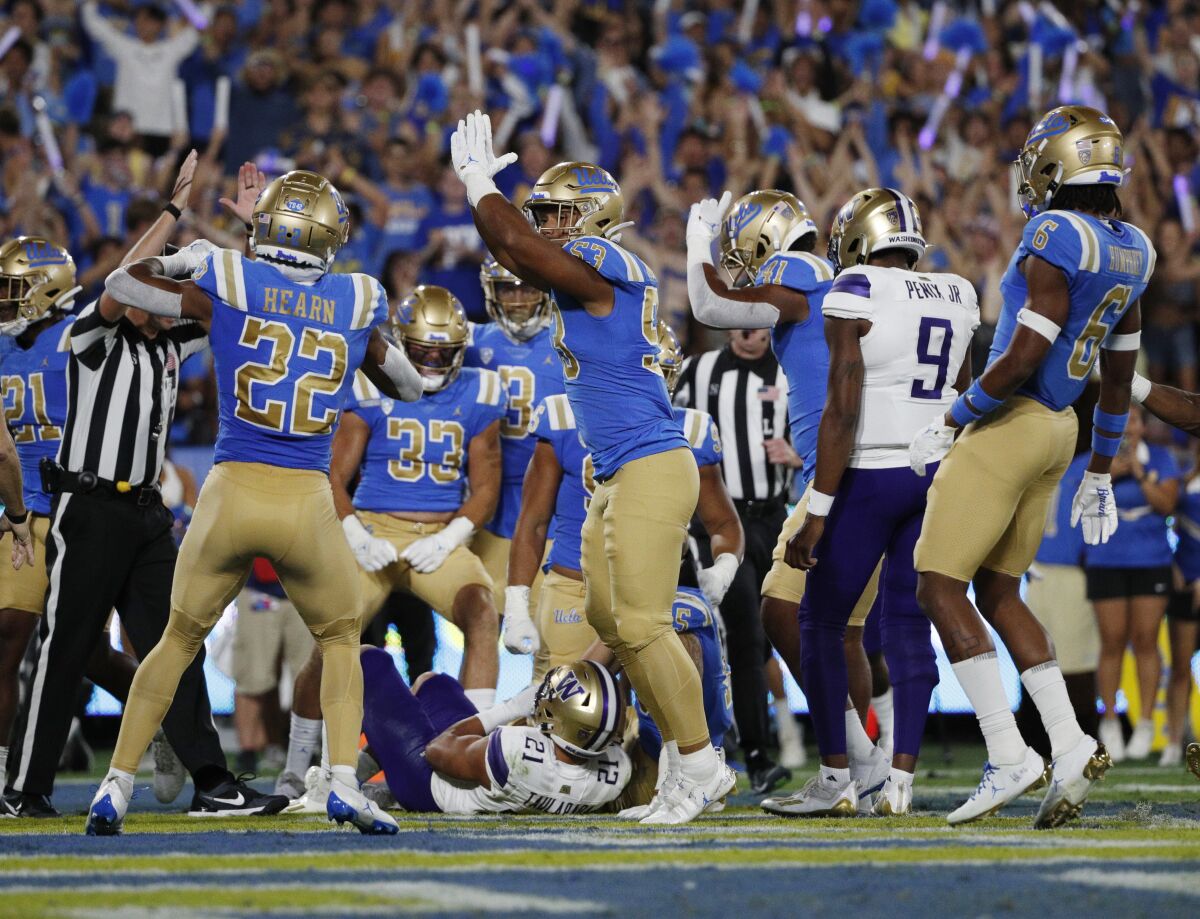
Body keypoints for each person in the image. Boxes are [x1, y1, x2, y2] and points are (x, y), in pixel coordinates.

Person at [85, 167, 423, 836]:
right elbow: (409, 386)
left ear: (263, 225)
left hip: (232, 486)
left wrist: (186, 255)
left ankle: (115, 785)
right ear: (332, 236)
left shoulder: (226, 275)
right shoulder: (358, 296)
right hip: (305, 495)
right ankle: (345, 784)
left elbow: (121, 285)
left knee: (178, 639)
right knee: (340, 637)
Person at [452, 110, 735, 824]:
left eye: (559, 212)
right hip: (615, 472)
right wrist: (490, 201)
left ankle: (701, 764)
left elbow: (516, 245)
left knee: (640, 622)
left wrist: (480, 183)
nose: (545, 223)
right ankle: (682, 764)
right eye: (541, 210)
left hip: (648, 463)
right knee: (613, 618)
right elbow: (516, 253)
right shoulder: (578, 277)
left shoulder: (609, 265)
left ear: (596, 220)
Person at [907, 105, 1155, 828]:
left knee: (937, 585)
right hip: (1061, 430)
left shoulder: (1054, 233)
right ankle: (1071, 740)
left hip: (1011, 420)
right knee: (999, 589)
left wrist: (953, 417)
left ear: (1057, 166)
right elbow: (1117, 377)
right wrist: (1101, 468)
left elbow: (1023, 351)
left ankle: (1008, 752)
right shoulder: (1134, 245)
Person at [5, 158, 270, 820]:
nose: (157, 293)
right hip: (88, 506)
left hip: (148, 513)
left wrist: (250, 235)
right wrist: (173, 213)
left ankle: (212, 778)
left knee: (176, 642)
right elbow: (122, 281)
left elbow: (251, 299)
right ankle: (23, 788)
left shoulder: (171, 344)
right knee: (65, 646)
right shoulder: (91, 333)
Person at [760, 188, 978, 818]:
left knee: (821, 623)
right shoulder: (958, 291)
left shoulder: (853, 286)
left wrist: (820, 508)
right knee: (909, 628)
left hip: (870, 473)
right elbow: (968, 396)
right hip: (935, 472)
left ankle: (836, 777)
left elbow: (843, 407)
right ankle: (900, 780)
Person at [682, 187, 881, 794]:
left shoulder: (797, 271)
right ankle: (866, 759)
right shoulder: (830, 276)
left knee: (782, 608)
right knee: (843, 627)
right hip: (861, 462)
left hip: (834, 472)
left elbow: (710, 305)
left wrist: (697, 245)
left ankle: (852, 762)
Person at [278, 284, 504, 805]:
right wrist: (355, 533)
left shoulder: (481, 392)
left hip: (439, 538)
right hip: (375, 528)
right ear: (402, 344)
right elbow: (333, 472)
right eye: (421, 351)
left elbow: (487, 483)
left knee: (482, 611)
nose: (429, 361)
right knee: (332, 634)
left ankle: (472, 751)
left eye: (442, 353)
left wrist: (452, 536)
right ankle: (296, 767)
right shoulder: (369, 386)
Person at [510, 321, 741, 678]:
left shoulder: (692, 432)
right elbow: (534, 520)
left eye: (653, 377)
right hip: (575, 589)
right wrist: (516, 602)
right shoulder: (562, 418)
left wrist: (723, 570)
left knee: (672, 712)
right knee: (564, 715)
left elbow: (723, 523)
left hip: (656, 595)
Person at [360, 654, 630, 815]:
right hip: (490, 777)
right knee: (435, 684)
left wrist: (510, 707)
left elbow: (436, 750)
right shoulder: (617, 771)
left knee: (368, 660)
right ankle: (379, 774)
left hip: (428, 787)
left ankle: (331, 778)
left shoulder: (515, 751)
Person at [464, 257, 564, 651]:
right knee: (483, 632)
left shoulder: (568, 340)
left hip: (555, 510)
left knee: (554, 638)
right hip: (487, 509)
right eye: (508, 288)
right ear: (492, 291)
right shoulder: (470, 343)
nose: (519, 298)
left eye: (527, 287)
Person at [1084, 404, 1179, 761]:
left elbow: (1167, 504)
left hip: (1151, 562)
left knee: (1145, 640)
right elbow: (1083, 506)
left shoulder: (1160, 457)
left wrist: (1138, 472)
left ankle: (1144, 724)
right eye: (1119, 423)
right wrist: (1111, 472)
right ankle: (1109, 721)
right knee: (1111, 642)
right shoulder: (1097, 461)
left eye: (1133, 422)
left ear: (1142, 426)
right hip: (1105, 560)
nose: (1126, 429)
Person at [1024, 454, 1100, 748]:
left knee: (1073, 660)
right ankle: (1035, 739)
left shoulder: (1092, 462)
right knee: (1033, 659)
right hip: (1036, 571)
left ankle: (1083, 738)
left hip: (1072, 572)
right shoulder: (1039, 458)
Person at [1167, 448, 1200, 768]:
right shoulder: (1183, 484)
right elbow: (1172, 526)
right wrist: (1175, 567)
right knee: (1180, 666)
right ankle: (1175, 741)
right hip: (1184, 585)